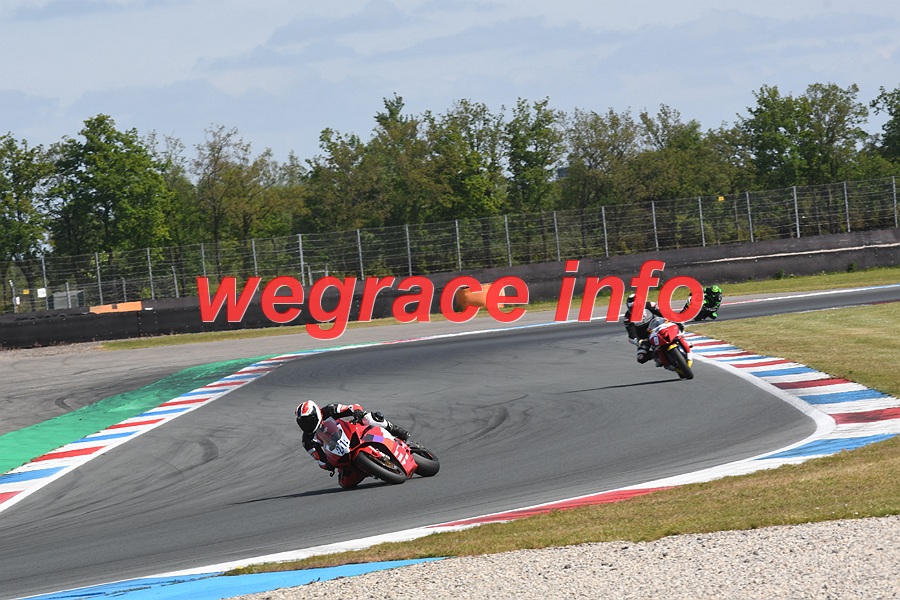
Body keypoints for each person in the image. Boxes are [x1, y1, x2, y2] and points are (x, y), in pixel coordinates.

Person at [295, 400, 410, 489]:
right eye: (302, 423)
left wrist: (357, 412)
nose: (306, 425)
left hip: (353, 433)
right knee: (345, 483)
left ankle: (397, 431)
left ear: (316, 414)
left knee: (368, 418)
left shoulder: (329, 410)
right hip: (340, 452)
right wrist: (327, 465)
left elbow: (352, 407)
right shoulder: (307, 441)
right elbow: (320, 459)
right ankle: (369, 469)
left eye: (308, 420)